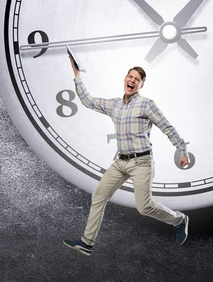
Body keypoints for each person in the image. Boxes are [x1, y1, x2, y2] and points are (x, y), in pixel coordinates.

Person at [63, 55, 190, 256]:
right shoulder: (114, 105)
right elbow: (88, 101)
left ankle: (179, 220)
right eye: (130, 77)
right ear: (124, 79)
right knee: (99, 195)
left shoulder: (147, 104)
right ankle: (87, 242)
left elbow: (166, 127)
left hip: (141, 163)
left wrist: (181, 150)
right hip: (120, 162)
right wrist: (77, 74)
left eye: (137, 79)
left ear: (141, 85)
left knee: (144, 207)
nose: (132, 81)